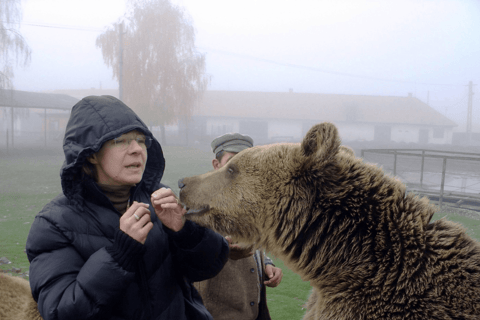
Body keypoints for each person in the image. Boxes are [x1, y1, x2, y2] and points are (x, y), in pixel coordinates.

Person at [25, 95, 229, 320]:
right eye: (120, 141)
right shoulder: (53, 225)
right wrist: (120, 254)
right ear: (91, 154)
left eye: (141, 140)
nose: (137, 150)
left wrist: (185, 231)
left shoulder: (160, 201)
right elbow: (59, 312)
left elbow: (209, 266)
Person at [193, 133, 283, 320]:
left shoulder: (253, 202)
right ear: (216, 165)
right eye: (233, 161)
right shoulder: (197, 204)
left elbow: (253, 242)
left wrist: (267, 264)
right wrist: (222, 249)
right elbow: (189, 254)